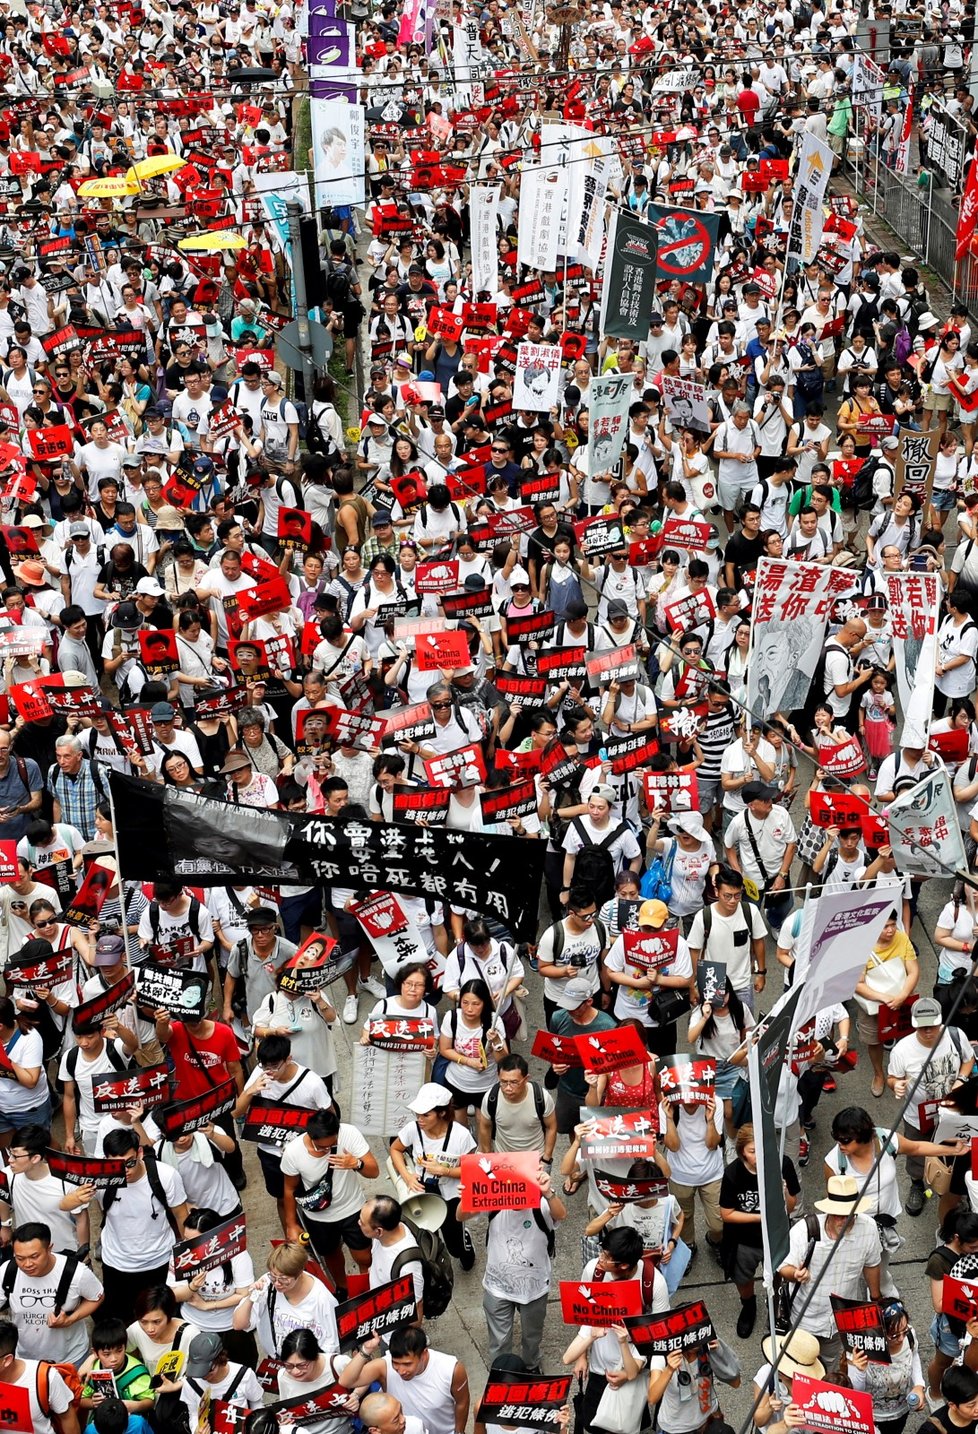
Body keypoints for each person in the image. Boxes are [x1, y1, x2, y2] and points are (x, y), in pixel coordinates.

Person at [777, 1174, 883, 1375]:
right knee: (800, 1368)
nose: (844, 1220)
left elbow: (872, 1264)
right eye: (838, 1215)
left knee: (830, 1367)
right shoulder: (804, 1231)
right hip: (805, 1319)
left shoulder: (868, 1229)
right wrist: (795, 1274)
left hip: (840, 1320)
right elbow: (783, 1267)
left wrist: (876, 1297)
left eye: (849, 1215)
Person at [280, 1108, 378, 1297]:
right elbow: (289, 1189)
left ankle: (368, 1288)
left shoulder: (349, 1134)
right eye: (322, 1147)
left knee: (364, 1256)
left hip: (352, 1208)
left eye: (332, 1145)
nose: (327, 1150)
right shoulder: (293, 1152)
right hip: (318, 1216)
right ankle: (342, 1289)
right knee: (331, 1254)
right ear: (310, 1137)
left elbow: (374, 1172)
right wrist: (291, 1224)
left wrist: (356, 1164)